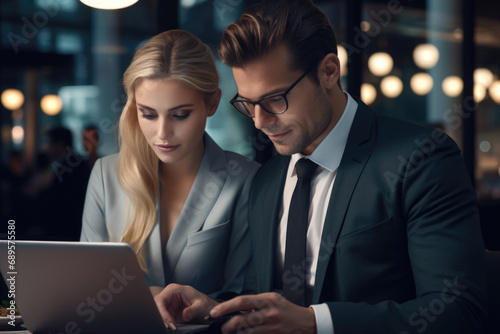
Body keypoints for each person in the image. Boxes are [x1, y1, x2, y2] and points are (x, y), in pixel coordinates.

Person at [154, 1, 487, 333]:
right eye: (249, 104)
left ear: (329, 71)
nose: (260, 122)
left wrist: (317, 324)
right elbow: (266, 302)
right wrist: (215, 309)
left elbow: (458, 310)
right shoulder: (267, 179)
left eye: (274, 100)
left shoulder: (420, 160)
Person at [80, 30, 260, 298]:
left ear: (212, 103)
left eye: (180, 115)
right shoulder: (106, 175)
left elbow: (242, 293)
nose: (163, 133)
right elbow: (87, 283)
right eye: (148, 115)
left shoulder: (246, 179)